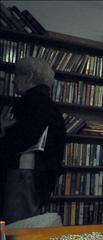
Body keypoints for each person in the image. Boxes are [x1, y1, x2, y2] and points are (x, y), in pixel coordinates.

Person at [0, 57, 66, 224]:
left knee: (17, 230)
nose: (13, 81)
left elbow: (21, 140)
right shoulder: (46, 103)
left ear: (29, 77)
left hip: (22, 175)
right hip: (32, 175)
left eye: (17, 75)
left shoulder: (32, 102)